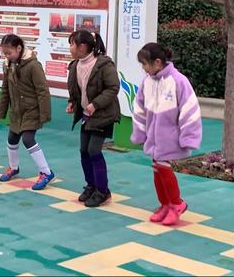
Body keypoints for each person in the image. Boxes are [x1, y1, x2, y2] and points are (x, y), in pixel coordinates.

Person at [131, 42, 202, 226]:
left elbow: (190, 109)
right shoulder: (147, 82)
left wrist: (189, 137)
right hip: (154, 137)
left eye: (145, 64)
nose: (144, 68)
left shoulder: (178, 80)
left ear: (157, 62)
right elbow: (139, 108)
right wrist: (140, 132)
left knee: (163, 167)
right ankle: (165, 205)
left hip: (170, 136)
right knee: (157, 168)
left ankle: (177, 203)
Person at [66, 30, 120, 207]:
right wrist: (73, 103)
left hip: (103, 115)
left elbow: (113, 88)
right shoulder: (75, 65)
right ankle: (91, 186)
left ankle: (103, 191)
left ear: (82, 46)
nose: (70, 47)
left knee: (94, 151)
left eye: (72, 44)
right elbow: (76, 90)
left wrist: (95, 104)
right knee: (84, 150)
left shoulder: (104, 64)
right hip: (86, 115)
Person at [0, 34, 55, 190]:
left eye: (9, 53)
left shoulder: (33, 65)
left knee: (28, 139)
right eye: (5, 53)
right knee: (12, 138)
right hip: (17, 110)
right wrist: (2, 111)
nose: (7, 56)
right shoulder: (8, 64)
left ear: (19, 48)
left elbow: (42, 91)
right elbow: (5, 89)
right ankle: (13, 167)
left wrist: (44, 114)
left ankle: (46, 172)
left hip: (31, 109)